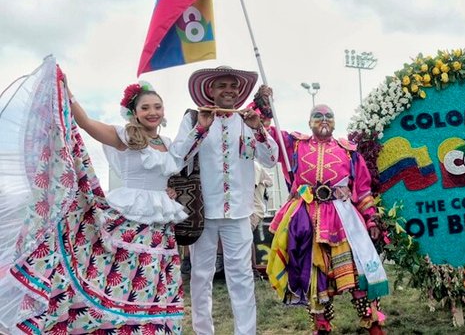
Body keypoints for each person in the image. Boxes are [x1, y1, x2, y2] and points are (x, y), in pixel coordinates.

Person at [0, 58, 186, 333]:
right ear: (133, 112)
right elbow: (85, 122)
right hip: (130, 218)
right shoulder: (124, 135)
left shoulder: (167, 144)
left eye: (157, 107)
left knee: (154, 276)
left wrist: (167, 191)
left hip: (160, 222)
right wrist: (67, 90)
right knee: (121, 273)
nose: (152, 112)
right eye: (145, 107)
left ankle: (150, 327)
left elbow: (172, 170)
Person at [170, 66, 278, 335]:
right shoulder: (194, 118)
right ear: (210, 90)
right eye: (222, 86)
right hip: (202, 213)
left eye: (233, 86)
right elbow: (177, 157)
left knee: (241, 277)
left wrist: (260, 130)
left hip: (239, 213)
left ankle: (246, 332)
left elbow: (272, 159)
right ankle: (204, 331)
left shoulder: (248, 121)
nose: (228, 90)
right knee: (201, 276)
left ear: (239, 91)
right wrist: (201, 129)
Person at [266, 101, 388, 335]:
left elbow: (362, 189)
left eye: (328, 116)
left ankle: (373, 324)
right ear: (309, 121)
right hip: (306, 220)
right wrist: (264, 105)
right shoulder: (293, 145)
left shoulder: (348, 151)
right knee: (314, 276)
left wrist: (371, 219)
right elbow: (267, 133)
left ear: (334, 122)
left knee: (358, 271)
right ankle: (321, 326)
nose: (323, 119)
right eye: (318, 115)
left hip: (343, 220)